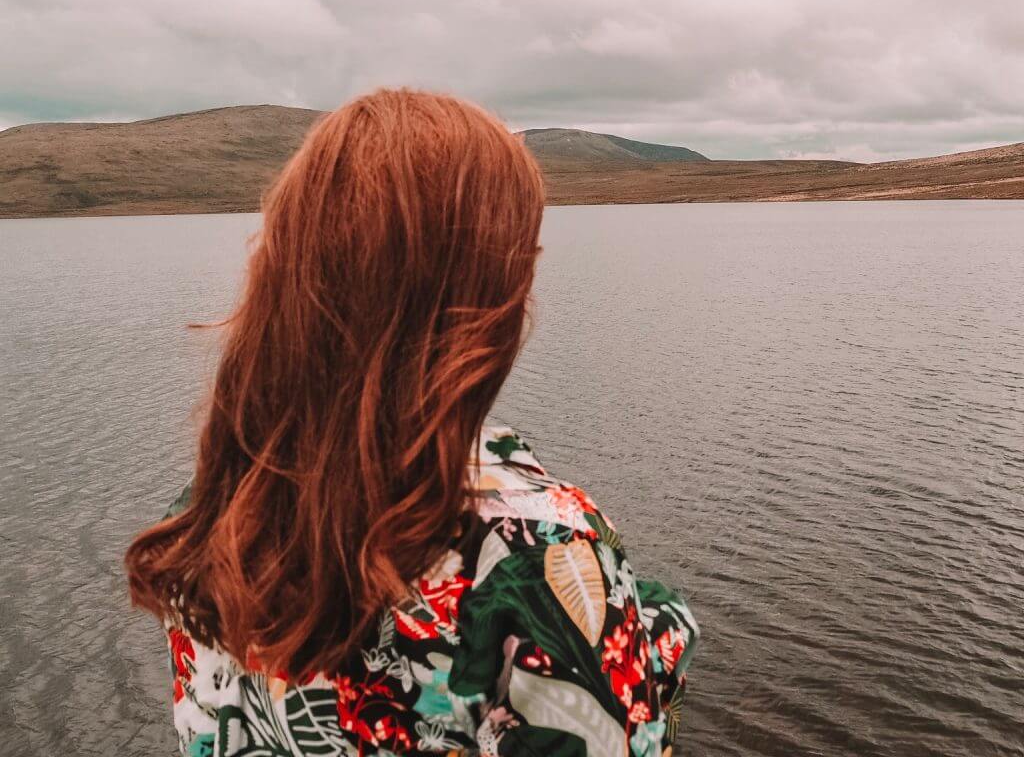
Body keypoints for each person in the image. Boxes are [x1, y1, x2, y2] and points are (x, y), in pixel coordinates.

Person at [125, 87, 698, 757]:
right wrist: (638, 632)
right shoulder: (536, 559)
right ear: (479, 297)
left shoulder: (215, 512)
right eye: (521, 261)